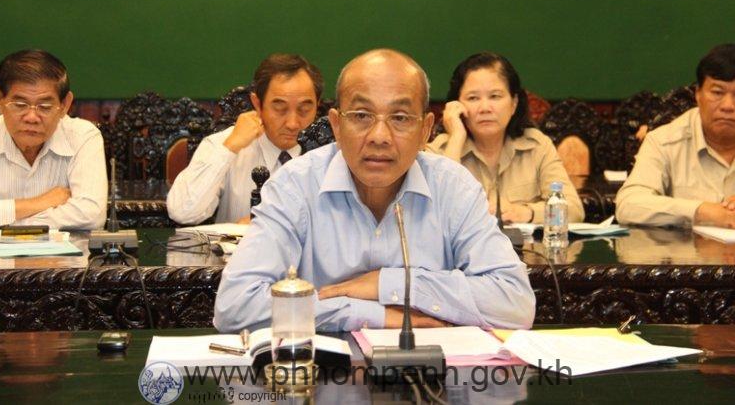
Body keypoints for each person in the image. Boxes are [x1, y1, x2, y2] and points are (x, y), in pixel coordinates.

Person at [214, 49, 535, 332]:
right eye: (362, 116)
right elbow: (235, 305)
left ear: (425, 129)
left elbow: (515, 302)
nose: (379, 136)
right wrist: (368, 313)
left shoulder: (454, 187)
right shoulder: (295, 186)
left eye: (400, 117)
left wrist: (389, 283)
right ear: (337, 125)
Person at [427, 52, 584, 224]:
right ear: (456, 105)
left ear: (514, 103)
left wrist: (528, 213)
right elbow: (433, 215)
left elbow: (574, 211)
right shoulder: (440, 151)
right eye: (473, 98)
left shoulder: (537, 146)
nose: (485, 108)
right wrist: (456, 137)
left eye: (495, 96)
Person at [167, 54, 323, 224]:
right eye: (280, 108)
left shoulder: (331, 151)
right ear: (257, 103)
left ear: (318, 105)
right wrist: (229, 149)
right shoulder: (225, 144)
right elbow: (182, 212)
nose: (292, 124)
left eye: (304, 110)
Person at [0, 49, 107, 230]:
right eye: (20, 105)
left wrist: (4, 222)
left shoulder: (82, 137)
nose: (32, 117)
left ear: (64, 105)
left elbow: (91, 215)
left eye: (45, 106)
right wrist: (40, 202)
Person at [617, 44, 735, 228]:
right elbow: (628, 205)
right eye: (717, 93)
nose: (728, 106)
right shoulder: (664, 141)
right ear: (698, 95)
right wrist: (700, 210)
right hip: (687, 247)